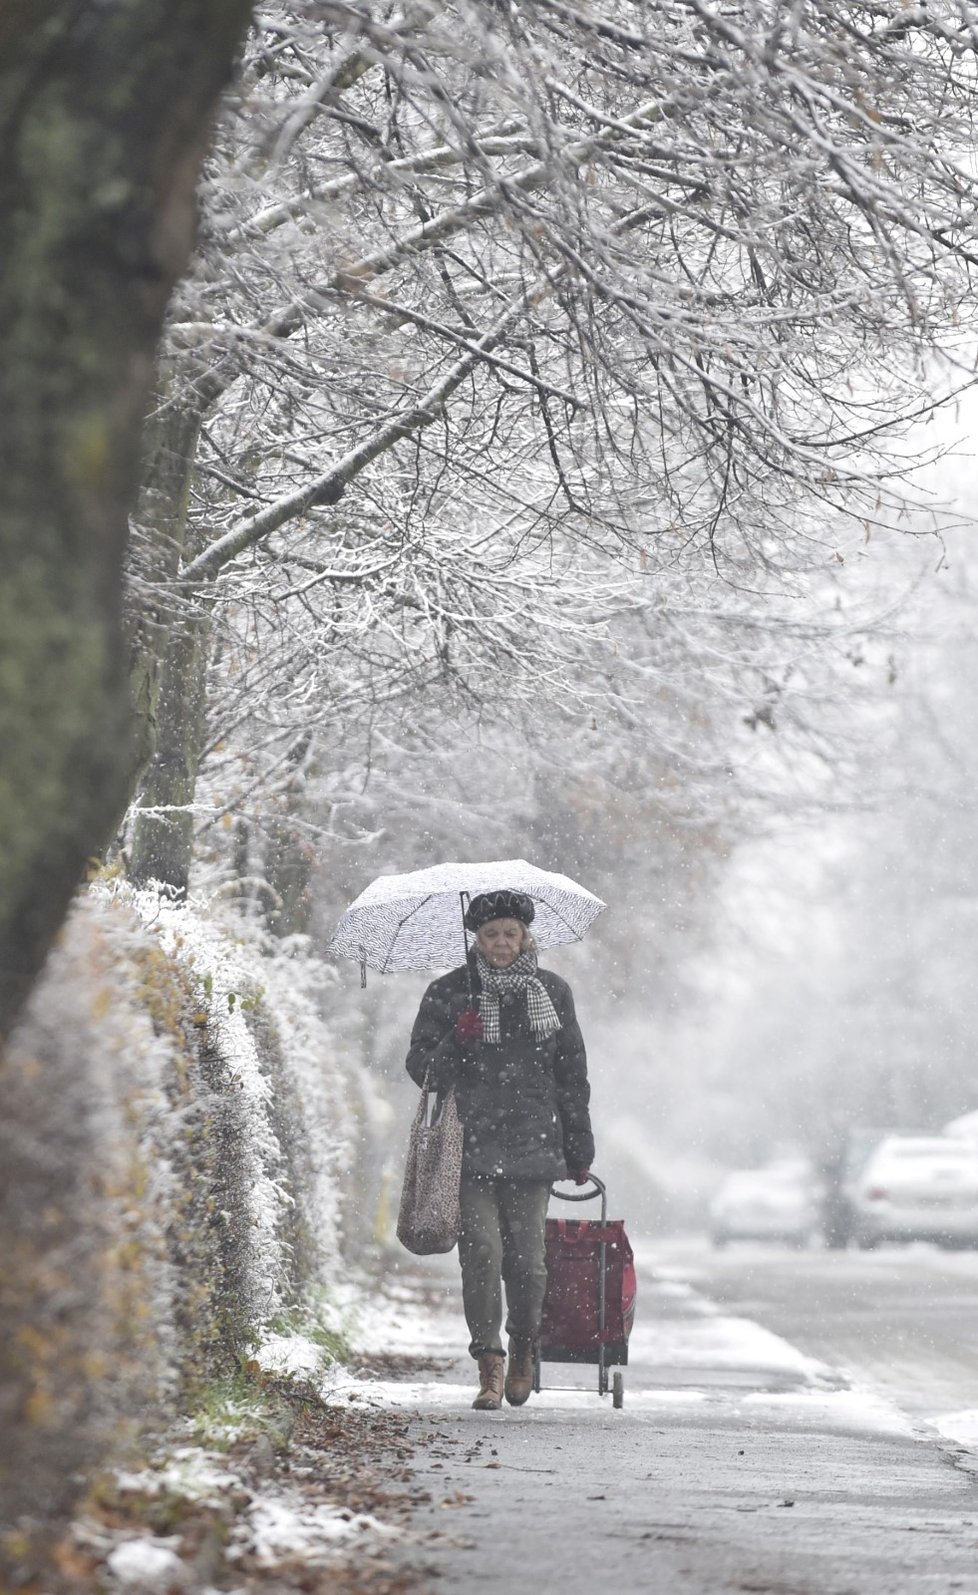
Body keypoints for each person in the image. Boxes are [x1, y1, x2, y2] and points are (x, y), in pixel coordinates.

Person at [405, 888, 595, 1411]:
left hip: (535, 1142)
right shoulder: (449, 993)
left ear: (526, 936)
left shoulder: (553, 992)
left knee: (529, 1262)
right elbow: (421, 1071)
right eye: (492, 935)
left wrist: (580, 1146)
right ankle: (488, 1362)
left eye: (511, 933)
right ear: (477, 939)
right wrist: (455, 1041)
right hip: (470, 1146)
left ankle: (524, 1350)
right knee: (483, 1253)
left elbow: (571, 1076)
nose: (502, 943)